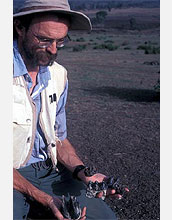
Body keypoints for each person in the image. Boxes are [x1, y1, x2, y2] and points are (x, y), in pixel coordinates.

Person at [13, 0, 123, 219]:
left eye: (60, 41)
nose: (53, 50)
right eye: (44, 39)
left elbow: (59, 139)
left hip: (50, 170)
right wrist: (44, 198)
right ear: (19, 27)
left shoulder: (58, 75)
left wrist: (83, 173)